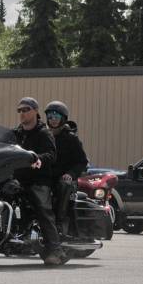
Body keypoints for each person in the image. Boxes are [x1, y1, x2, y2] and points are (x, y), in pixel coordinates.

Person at [12, 97, 67, 264]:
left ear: (35, 111)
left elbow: (51, 154)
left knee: (42, 207)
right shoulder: (15, 133)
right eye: (20, 110)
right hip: (17, 178)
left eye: (26, 109)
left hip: (38, 180)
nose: (22, 113)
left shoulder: (44, 133)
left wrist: (36, 158)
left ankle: (55, 250)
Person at [44, 101, 88, 237]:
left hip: (64, 178)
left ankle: (59, 221)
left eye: (56, 117)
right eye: (50, 117)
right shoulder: (44, 135)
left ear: (63, 118)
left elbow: (82, 161)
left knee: (63, 186)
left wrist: (70, 173)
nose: (53, 120)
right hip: (46, 176)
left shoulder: (70, 138)